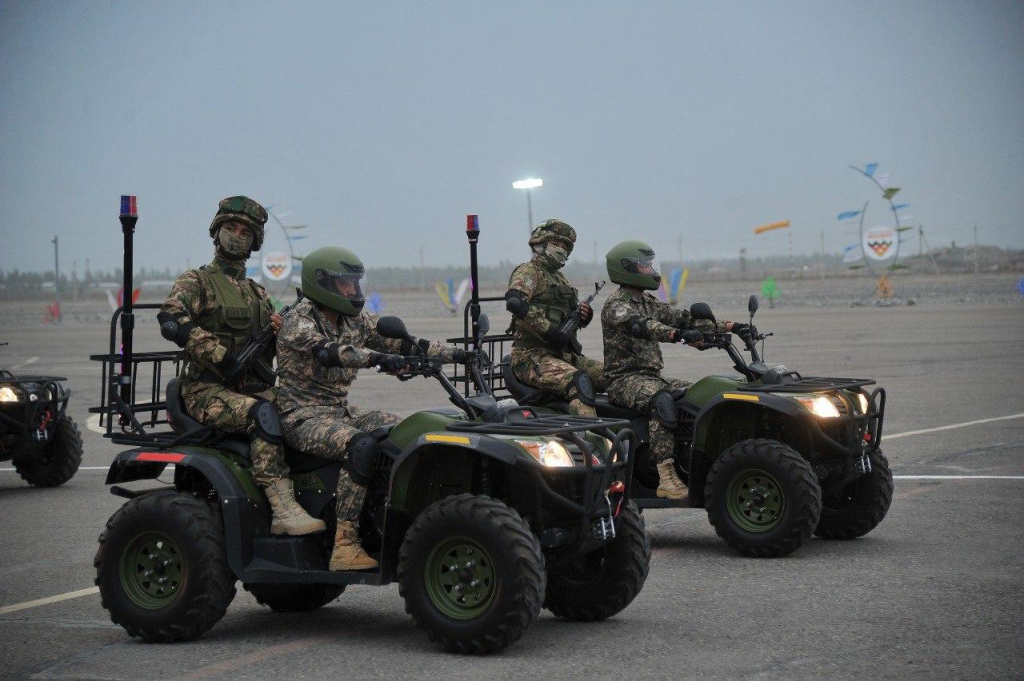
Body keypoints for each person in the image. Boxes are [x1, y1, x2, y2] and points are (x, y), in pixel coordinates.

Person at [275, 246, 472, 571]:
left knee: (404, 434)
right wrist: (377, 359)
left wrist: (458, 354)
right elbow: (331, 352)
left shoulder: (353, 320)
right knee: (361, 446)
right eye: (345, 284)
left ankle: (390, 517)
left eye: (355, 282)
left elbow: (403, 343)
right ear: (322, 283)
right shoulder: (298, 322)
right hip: (301, 416)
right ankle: (345, 544)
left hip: (339, 411)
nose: (353, 290)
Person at [157, 196, 325, 536]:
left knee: (307, 408)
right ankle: (282, 508)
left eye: (245, 232)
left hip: (250, 385)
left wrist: (280, 334)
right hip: (206, 390)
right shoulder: (197, 282)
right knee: (260, 415)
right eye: (230, 229)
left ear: (255, 241)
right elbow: (171, 320)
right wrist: (221, 355)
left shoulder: (257, 293)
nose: (237, 236)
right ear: (217, 233)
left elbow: (274, 354)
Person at [601, 240, 749, 500]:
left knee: (696, 394)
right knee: (663, 401)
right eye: (644, 267)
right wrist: (676, 335)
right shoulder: (617, 305)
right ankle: (666, 478)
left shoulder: (647, 301)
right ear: (626, 269)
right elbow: (643, 326)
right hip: (624, 380)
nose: (650, 271)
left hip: (650, 377)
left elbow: (683, 317)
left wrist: (732, 327)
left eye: (650, 266)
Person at [505, 219, 607, 416]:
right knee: (579, 382)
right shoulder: (529, 271)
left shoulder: (561, 279)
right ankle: (590, 439)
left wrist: (583, 315)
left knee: (611, 375)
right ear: (540, 244)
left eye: (564, 246)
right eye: (556, 245)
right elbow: (515, 303)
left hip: (561, 354)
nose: (561, 249)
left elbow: (563, 317)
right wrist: (549, 330)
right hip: (530, 356)